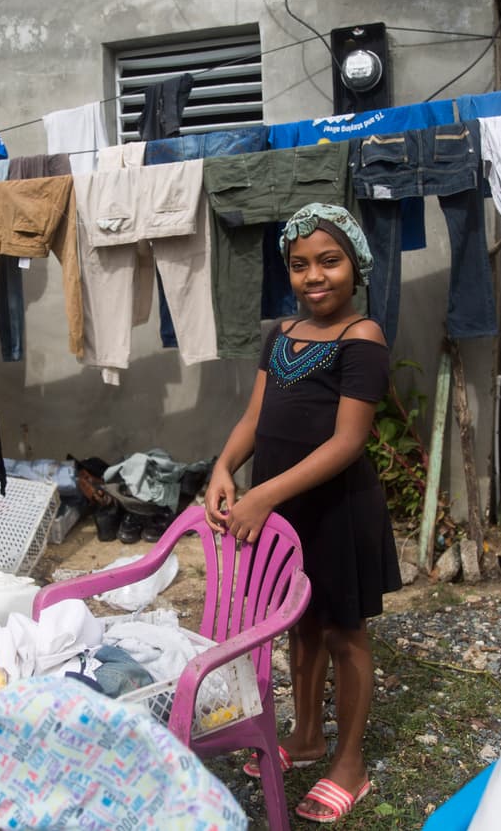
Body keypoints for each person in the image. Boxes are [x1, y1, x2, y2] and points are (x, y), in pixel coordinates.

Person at [204, 202, 402, 824]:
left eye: (329, 261)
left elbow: (347, 443)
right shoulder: (281, 336)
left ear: (356, 266)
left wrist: (264, 495)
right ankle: (308, 735)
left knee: (345, 631)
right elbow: (256, 420)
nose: (314, 276)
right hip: (286, 517)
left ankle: (350, 761)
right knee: (300, 625)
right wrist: (225, 468)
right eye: (299, 265)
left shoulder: (361, 338)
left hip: (337, 508)